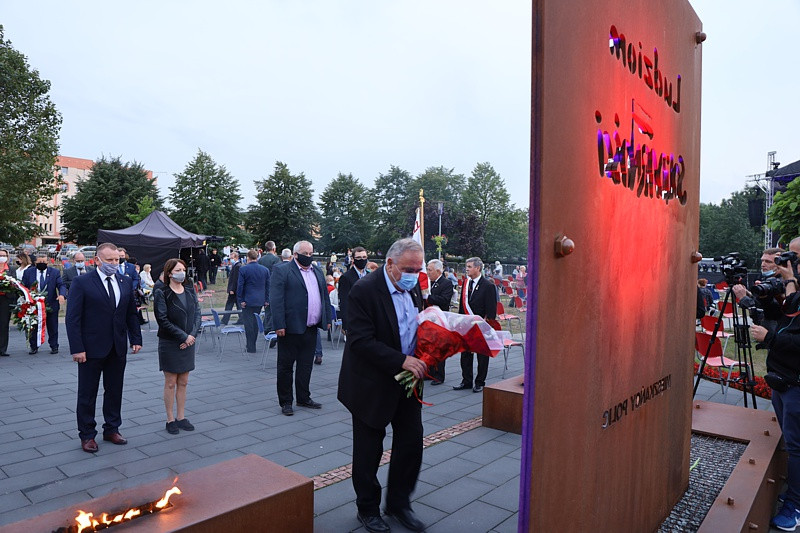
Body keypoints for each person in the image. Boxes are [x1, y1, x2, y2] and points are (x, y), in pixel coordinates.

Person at [337, 238, 428, 533]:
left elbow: (415, 326)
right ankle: (368, 508)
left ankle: (399, 503)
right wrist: (401, 360)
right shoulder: (363, 290)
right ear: (390, 264)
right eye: (408, 268)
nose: (414, 273)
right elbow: (360, 341)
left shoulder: (412, 287)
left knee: (411, 443)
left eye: (418, 268)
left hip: (407, 383)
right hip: (371, 384)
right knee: (368, 451)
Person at [66, 243, 142, 453]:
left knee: (114, 390)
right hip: (90, 348)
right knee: (87, 394)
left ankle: (112, 428)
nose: (114, 264)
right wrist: (77, 348)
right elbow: (73, 319)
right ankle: (87, 434)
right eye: (109, 260)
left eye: (117, 260)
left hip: (117, 347)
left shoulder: (125, 282)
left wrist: (135, 338)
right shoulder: (82, 282)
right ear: (97, 260)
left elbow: (130, 314)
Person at [750, 240, 800, 531]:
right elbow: (786, 320)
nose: (785, 261)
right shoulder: (793, 288)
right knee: (793, 443)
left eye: (792, 257)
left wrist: (768, 338)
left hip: (795, 384)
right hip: (783, 381)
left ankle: (793, 505)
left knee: (796, 447)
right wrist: (768, 297)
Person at [270, 240, 331, 416]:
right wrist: (279, 324)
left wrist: (326, 318)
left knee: (306, 365)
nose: (309, 256)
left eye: (311, 253)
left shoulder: (317, 270)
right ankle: (286, 402)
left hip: (311, 327)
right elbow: (276, 299)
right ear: (296, 254)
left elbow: (323, 296)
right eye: (305, 253)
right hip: (290, 328)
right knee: (285, 366)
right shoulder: (282, 270)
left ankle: (303, 397)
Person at [154, 259, 201, 435]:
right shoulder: (162, 292)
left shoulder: (190, 290)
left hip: (188, 341)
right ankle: (170, 419)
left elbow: (197, 313)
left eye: (183, 269)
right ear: (169, 273)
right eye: (178, 269)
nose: (182, 272)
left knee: (184, 381)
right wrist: (183, 336)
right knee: (171, 382)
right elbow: (162, 319)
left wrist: (192, 336)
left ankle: (181, 417)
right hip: (170, 342)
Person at [453, 257, 497, 393]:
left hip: (481, 326)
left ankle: (479, 382)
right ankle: (466, 381)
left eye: (470, 266)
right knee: (465, 354)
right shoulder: (466, 284)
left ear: (478, 268)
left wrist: (484, 324)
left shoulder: (488, 286)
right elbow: (462, 307)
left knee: (481, 356)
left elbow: (491, 311)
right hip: (466, 326)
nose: (467, 269)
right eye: (467, 266)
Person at [22, 254, 66, 354]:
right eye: (39, 262)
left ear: (47, 263)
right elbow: (23, 286)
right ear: (35, 263)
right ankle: (34, 346)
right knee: (34, 326)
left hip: (51, 303)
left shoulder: (54, 272)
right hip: (33, 305)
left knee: (53, 326)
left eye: (44, 262)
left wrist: (62, 295)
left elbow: (61, 285)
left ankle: (54, 346)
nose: (42, 264)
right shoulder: (28, 272)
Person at [425, 258, 455, 385]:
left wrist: (428, 297)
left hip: (440, 319)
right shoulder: (428, 282)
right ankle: (430, 372)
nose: (427, 272)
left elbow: (444, 300)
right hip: (428, 319)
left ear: (438, 271)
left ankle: (439, 375)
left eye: (429, 270)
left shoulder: (446, 283)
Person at [237, 250, 271, 353]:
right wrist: (266, 299)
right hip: (260, 299)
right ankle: (253, 344)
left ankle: (250, 345)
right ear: (257, 257)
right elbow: (268, 286)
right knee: (256, 321)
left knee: (248, 323)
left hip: (247, 300)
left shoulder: (243, 269)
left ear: (248, 257)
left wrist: (241, 299)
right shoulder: (265, 270)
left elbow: (240, 286)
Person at [338, 247, 369, 336]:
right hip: (354, 319)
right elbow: (344, 301)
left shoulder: (370, 275)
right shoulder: (346, 277)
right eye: (359, 258)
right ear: (353, 259)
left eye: (364, 257)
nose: (362, 260)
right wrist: (346, 323)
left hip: (370, 319)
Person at [222, 251, 243, 326]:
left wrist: (232, 289)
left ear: (236, 257)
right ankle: (241, 319)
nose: (230, 260)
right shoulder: (236, 265)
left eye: (231, 258)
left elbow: (235, 279)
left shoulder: (237, 266)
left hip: (234, 290)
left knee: (230, 305)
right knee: (237, 305)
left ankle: (225, 320)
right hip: (235, 290)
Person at [0, 249, 12, 357]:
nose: (2, 257)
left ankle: (2, 348)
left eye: (4, 255)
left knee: (4, 324)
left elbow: (15, 283)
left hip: (5, 300)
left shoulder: (11, 269)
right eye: (0, 255)